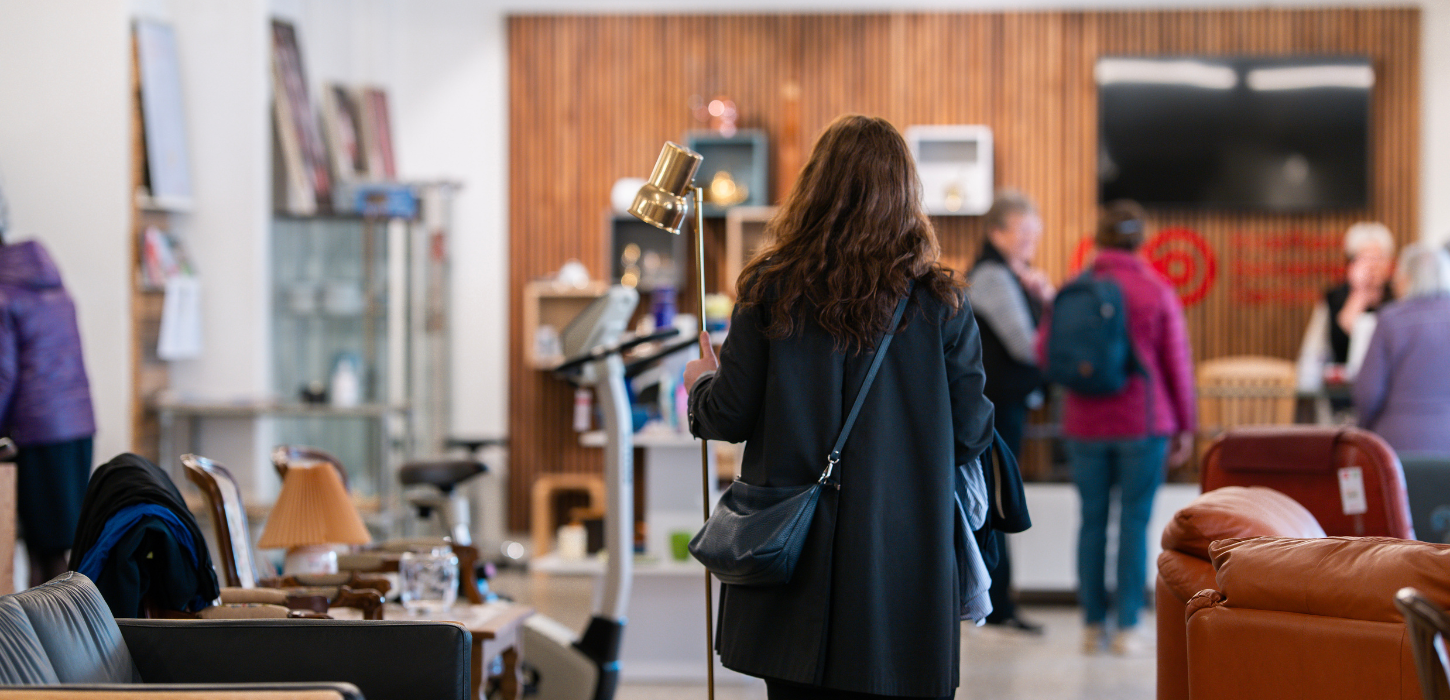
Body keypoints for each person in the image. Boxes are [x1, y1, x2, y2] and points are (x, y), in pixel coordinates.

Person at [683, 115, 997, 699]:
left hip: (794, 564)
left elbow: (726, 416)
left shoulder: (769, 289)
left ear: (814, 188)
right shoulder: (941, 303)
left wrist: (700, 380)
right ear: (906, 194)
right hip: (901, 567)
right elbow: (973, 432)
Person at [1036, 200, 1195, 655]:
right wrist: (1186, 425)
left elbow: (1044, 353)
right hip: (1142, 424)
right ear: (1140, 240)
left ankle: (1090, 625)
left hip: (1083, 423)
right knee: (1134, 522)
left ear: (1099, 240)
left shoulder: (1074, 288)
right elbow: (1176, 364)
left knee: (1091, 521)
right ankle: (1127, 626)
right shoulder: (1156, 290)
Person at [966, 190, 1051, 634]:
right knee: (996, 505)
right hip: (995, 412)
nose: (1031, 241)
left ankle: (998, 602)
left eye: (1035, 233)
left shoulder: (1008, 275)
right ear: (997, 232)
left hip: (999, 408)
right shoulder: (994, 278)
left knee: (994, 502)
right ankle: (997, 605)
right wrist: (1052, 305)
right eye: (1024, 232)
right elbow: (1027, 346)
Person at [0, 238, 96, 587]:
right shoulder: (55, 289)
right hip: (76, 427)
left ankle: (53, 638)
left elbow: (3, 374)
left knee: (46, 554)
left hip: (38, 433)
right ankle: (57, 634)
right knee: (57, 546)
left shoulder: (4, 296)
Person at [1353, 243, 1450, 454]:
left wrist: (1364, 427)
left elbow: (1368, 393)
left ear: (1407, 278)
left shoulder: (1390, 319)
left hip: (1397, 446)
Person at [1297, 222, 1395, 395]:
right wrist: (1360, 293)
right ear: (1352, 263)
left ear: (1389, 263)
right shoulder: (1335, 298)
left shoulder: (1397, 298)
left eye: (1378, 257)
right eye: (1365, 258)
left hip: (1389, 388)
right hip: (1342, 391)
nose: (1372, 265)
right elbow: (1332, 341)